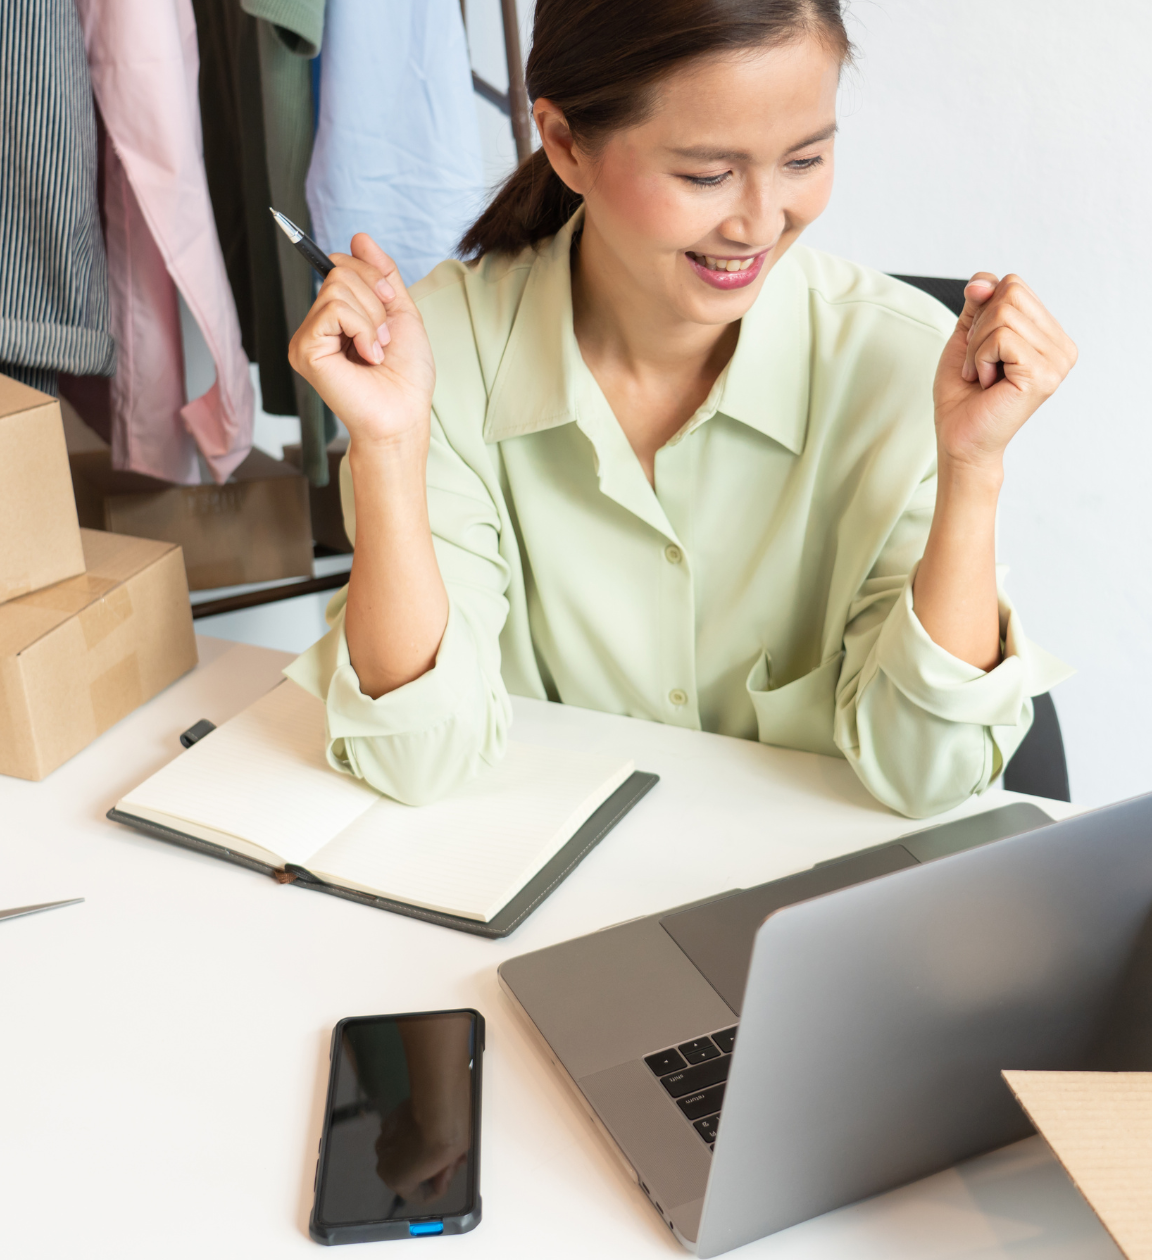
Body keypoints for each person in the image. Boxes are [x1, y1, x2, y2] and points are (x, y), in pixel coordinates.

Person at [284, 0, 1077, 820]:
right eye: (707, 175)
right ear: (564, 144)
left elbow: (930, 775)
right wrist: (386, 443)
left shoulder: (903, 363)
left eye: (804, 160)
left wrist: (973, 467)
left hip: (806, 899)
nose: (762, 221)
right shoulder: (437, 358)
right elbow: (416, 758)